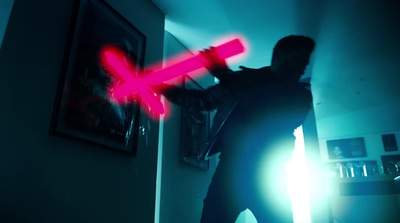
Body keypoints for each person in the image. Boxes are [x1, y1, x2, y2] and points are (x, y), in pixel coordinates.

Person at [159, 35, 315, 223]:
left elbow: (273, 114)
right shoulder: (241, 80)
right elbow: (201, 101)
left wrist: (226, 76)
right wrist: (161, 87)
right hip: (229, 173)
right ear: (282, 54)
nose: (304, 66)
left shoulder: (300, 95)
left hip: (268, 177)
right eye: (300, 59)